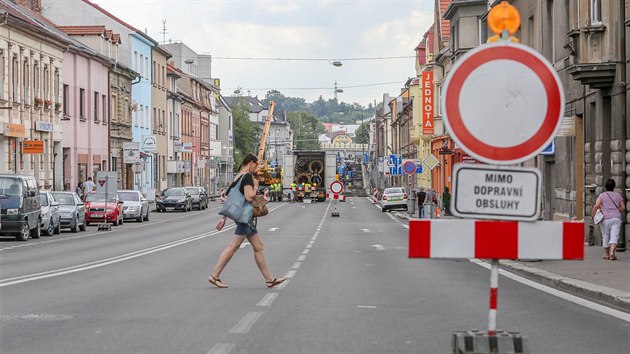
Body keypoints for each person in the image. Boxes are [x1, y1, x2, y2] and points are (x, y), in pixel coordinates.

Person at [210, 153, 286, 288]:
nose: (256, 169)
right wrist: (256, 186)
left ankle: (269, 279)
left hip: (245, 218)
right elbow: (249, 197)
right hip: (245, 218)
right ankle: (214, 276)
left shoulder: (238, 176)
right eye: (256, 166)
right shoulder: (247, 177)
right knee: (233, 246)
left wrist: (224, 218)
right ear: (251, 162)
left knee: (258, 247)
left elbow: (231, 197)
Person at [591, 179, 625, 260]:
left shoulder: (602, 195)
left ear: (605, 187)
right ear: (614, 187)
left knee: (605, 235)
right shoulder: (618, 195)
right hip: (616, 218)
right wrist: (617, 210)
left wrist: (593, 215)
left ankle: (606, 254)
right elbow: (623, 208)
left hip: (605, 218)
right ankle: (612, 252)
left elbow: (596, 206)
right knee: (615, 235)